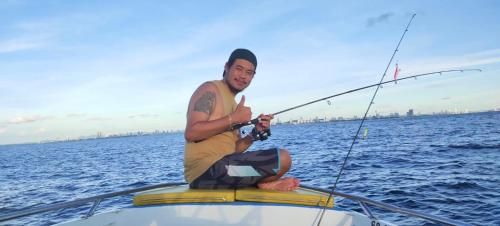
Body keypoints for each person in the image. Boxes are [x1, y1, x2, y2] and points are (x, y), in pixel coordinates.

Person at [184, 48, 300, 191]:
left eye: (249, 73)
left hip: (226, 171)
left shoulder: (234, 103)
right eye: (239, 69)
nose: (243, 76)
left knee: (278, 165)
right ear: (227, 67)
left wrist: (253, 135)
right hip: (204, 172)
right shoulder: (209, 89)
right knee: (283, 158)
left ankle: (261, 182)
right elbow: (191, 132)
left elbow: (234, 150)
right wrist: (233, 118)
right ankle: (263, 183)